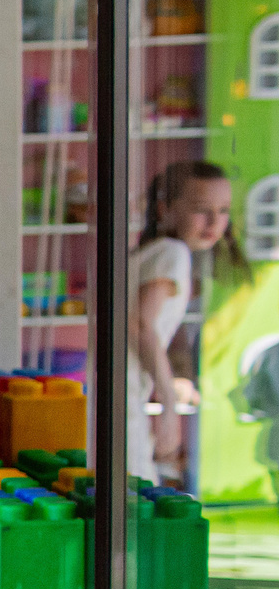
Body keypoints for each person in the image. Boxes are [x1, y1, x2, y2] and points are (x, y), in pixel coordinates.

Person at [131, 161, 236, 485]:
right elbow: (141, 324)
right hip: (125, 400)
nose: (214, 222)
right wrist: (169, 407)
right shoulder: (172, 253)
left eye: (223, 210)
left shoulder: (153, 252)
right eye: (201, 210)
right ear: (166, 209)